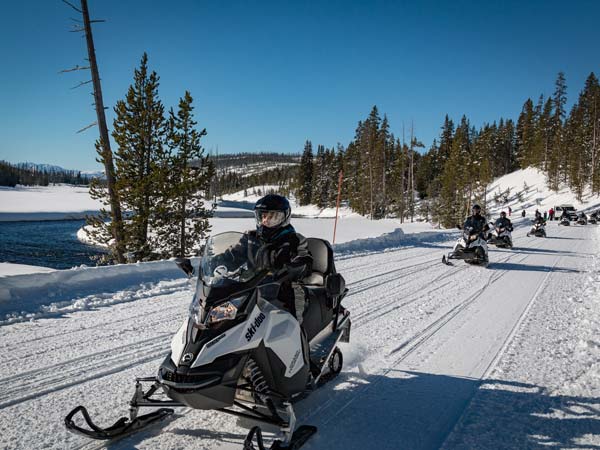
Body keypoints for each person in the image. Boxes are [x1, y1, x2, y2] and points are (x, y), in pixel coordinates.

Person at [228, 194, 312, 324]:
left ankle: (300, 340)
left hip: (283, 290)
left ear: (283, 218)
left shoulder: (294, 240)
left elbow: (304, 258)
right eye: (263, 216)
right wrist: (214, 262)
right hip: (252, 289)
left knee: (290, 324)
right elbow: (233, 256)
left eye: (272, 217)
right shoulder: (250, 237)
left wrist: (295, 266)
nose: (266, 221)